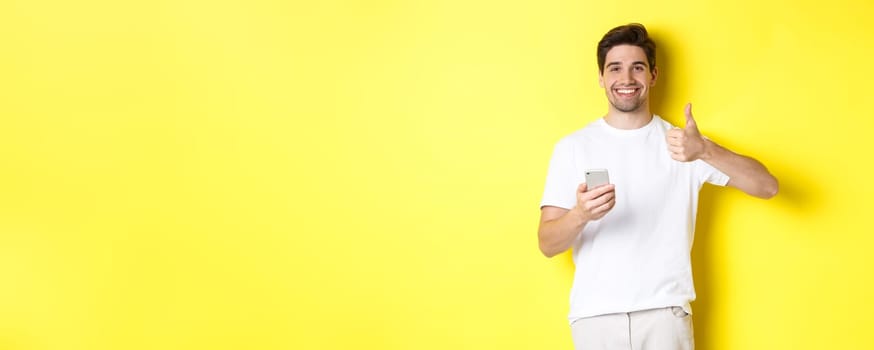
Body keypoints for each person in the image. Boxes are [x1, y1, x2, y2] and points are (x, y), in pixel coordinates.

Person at [537, 23, 778, 350]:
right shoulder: (573, 147)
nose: (626, 79)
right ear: (601, 77)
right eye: (615, 68)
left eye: (637, 68)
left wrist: (706, 150)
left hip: (665, 315)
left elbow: (767, 186)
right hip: (595, 318)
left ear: (653, 75)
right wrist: (580, 214)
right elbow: (548, 243)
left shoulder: (684, 144)